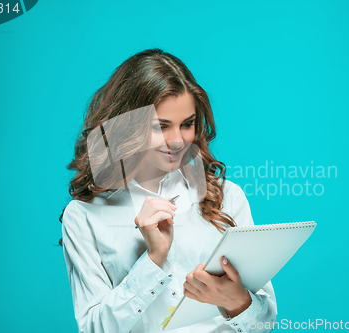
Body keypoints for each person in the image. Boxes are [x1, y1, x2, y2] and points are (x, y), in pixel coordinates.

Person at [59, 48, 277, 333]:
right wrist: (152, 260)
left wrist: (236, 300)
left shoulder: (227, 197)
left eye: (187, 124)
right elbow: (93, 330)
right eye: (161, 126)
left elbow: (263, 325)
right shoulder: (84, 216)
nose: (177, 141)